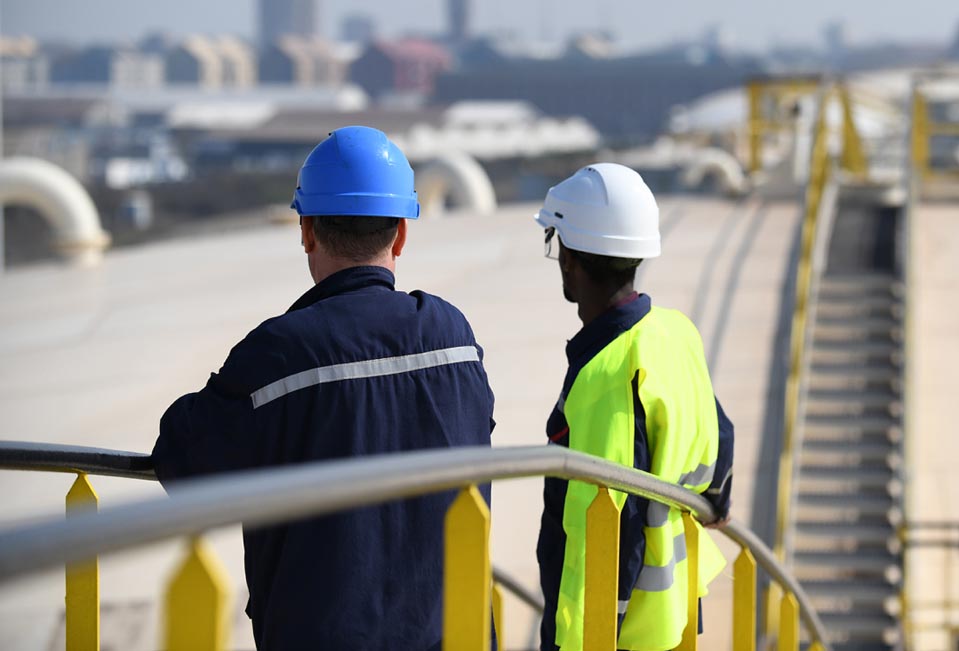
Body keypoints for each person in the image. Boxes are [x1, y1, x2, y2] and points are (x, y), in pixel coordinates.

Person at [152, 126, 495, 650]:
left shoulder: (277, 357)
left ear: (306, 230)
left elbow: (180, 459)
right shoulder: (455, 338)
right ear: (401, 233)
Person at [533, 164, 734, 651]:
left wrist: (593, 635)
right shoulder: (674, 334)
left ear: (570, 260)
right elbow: (720, 444)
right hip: (672, 620)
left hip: (616, 634)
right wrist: (715, 502)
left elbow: (614, 517)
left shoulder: (606, 374)